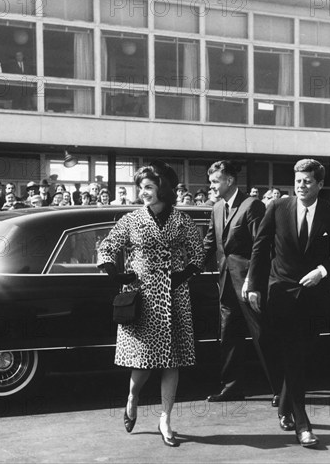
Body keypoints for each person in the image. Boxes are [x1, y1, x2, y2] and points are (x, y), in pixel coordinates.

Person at [244, 158, 330, 448]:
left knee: (303, 356)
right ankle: (302, 424)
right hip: (281, 292)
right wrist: (253, 284)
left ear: (320, 184)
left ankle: (283, 407)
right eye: (298, 181)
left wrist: (322, 271)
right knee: (293, 354)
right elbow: (260, 246)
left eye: (307, 181)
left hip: (314, 295)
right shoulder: (278, 207)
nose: (301, 186)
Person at [97, 160, 204, 447]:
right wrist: (115, 271)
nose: (143, 192)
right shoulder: (131, 219)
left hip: (174, 297)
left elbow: (198, 253)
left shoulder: (182, 220)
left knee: (172, 361)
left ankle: (165, 418)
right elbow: (108, 245)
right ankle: (132, 398)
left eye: (149, 187)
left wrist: (184, 274)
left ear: (163, 188)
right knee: (143, 361)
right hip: (142, 296)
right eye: (140, 187)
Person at [202, 160, 279, 406]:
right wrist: (189, 268)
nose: (211, 186)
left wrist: (253, 282)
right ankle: (232, 387)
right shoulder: (216, 208)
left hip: (248, 285)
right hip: (226, 284)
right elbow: (210, 244)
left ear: (230, 180)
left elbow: (261, 246)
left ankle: (280, 389)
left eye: (215, 181)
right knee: (229, 336)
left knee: (262, 336)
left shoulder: (252, 205)